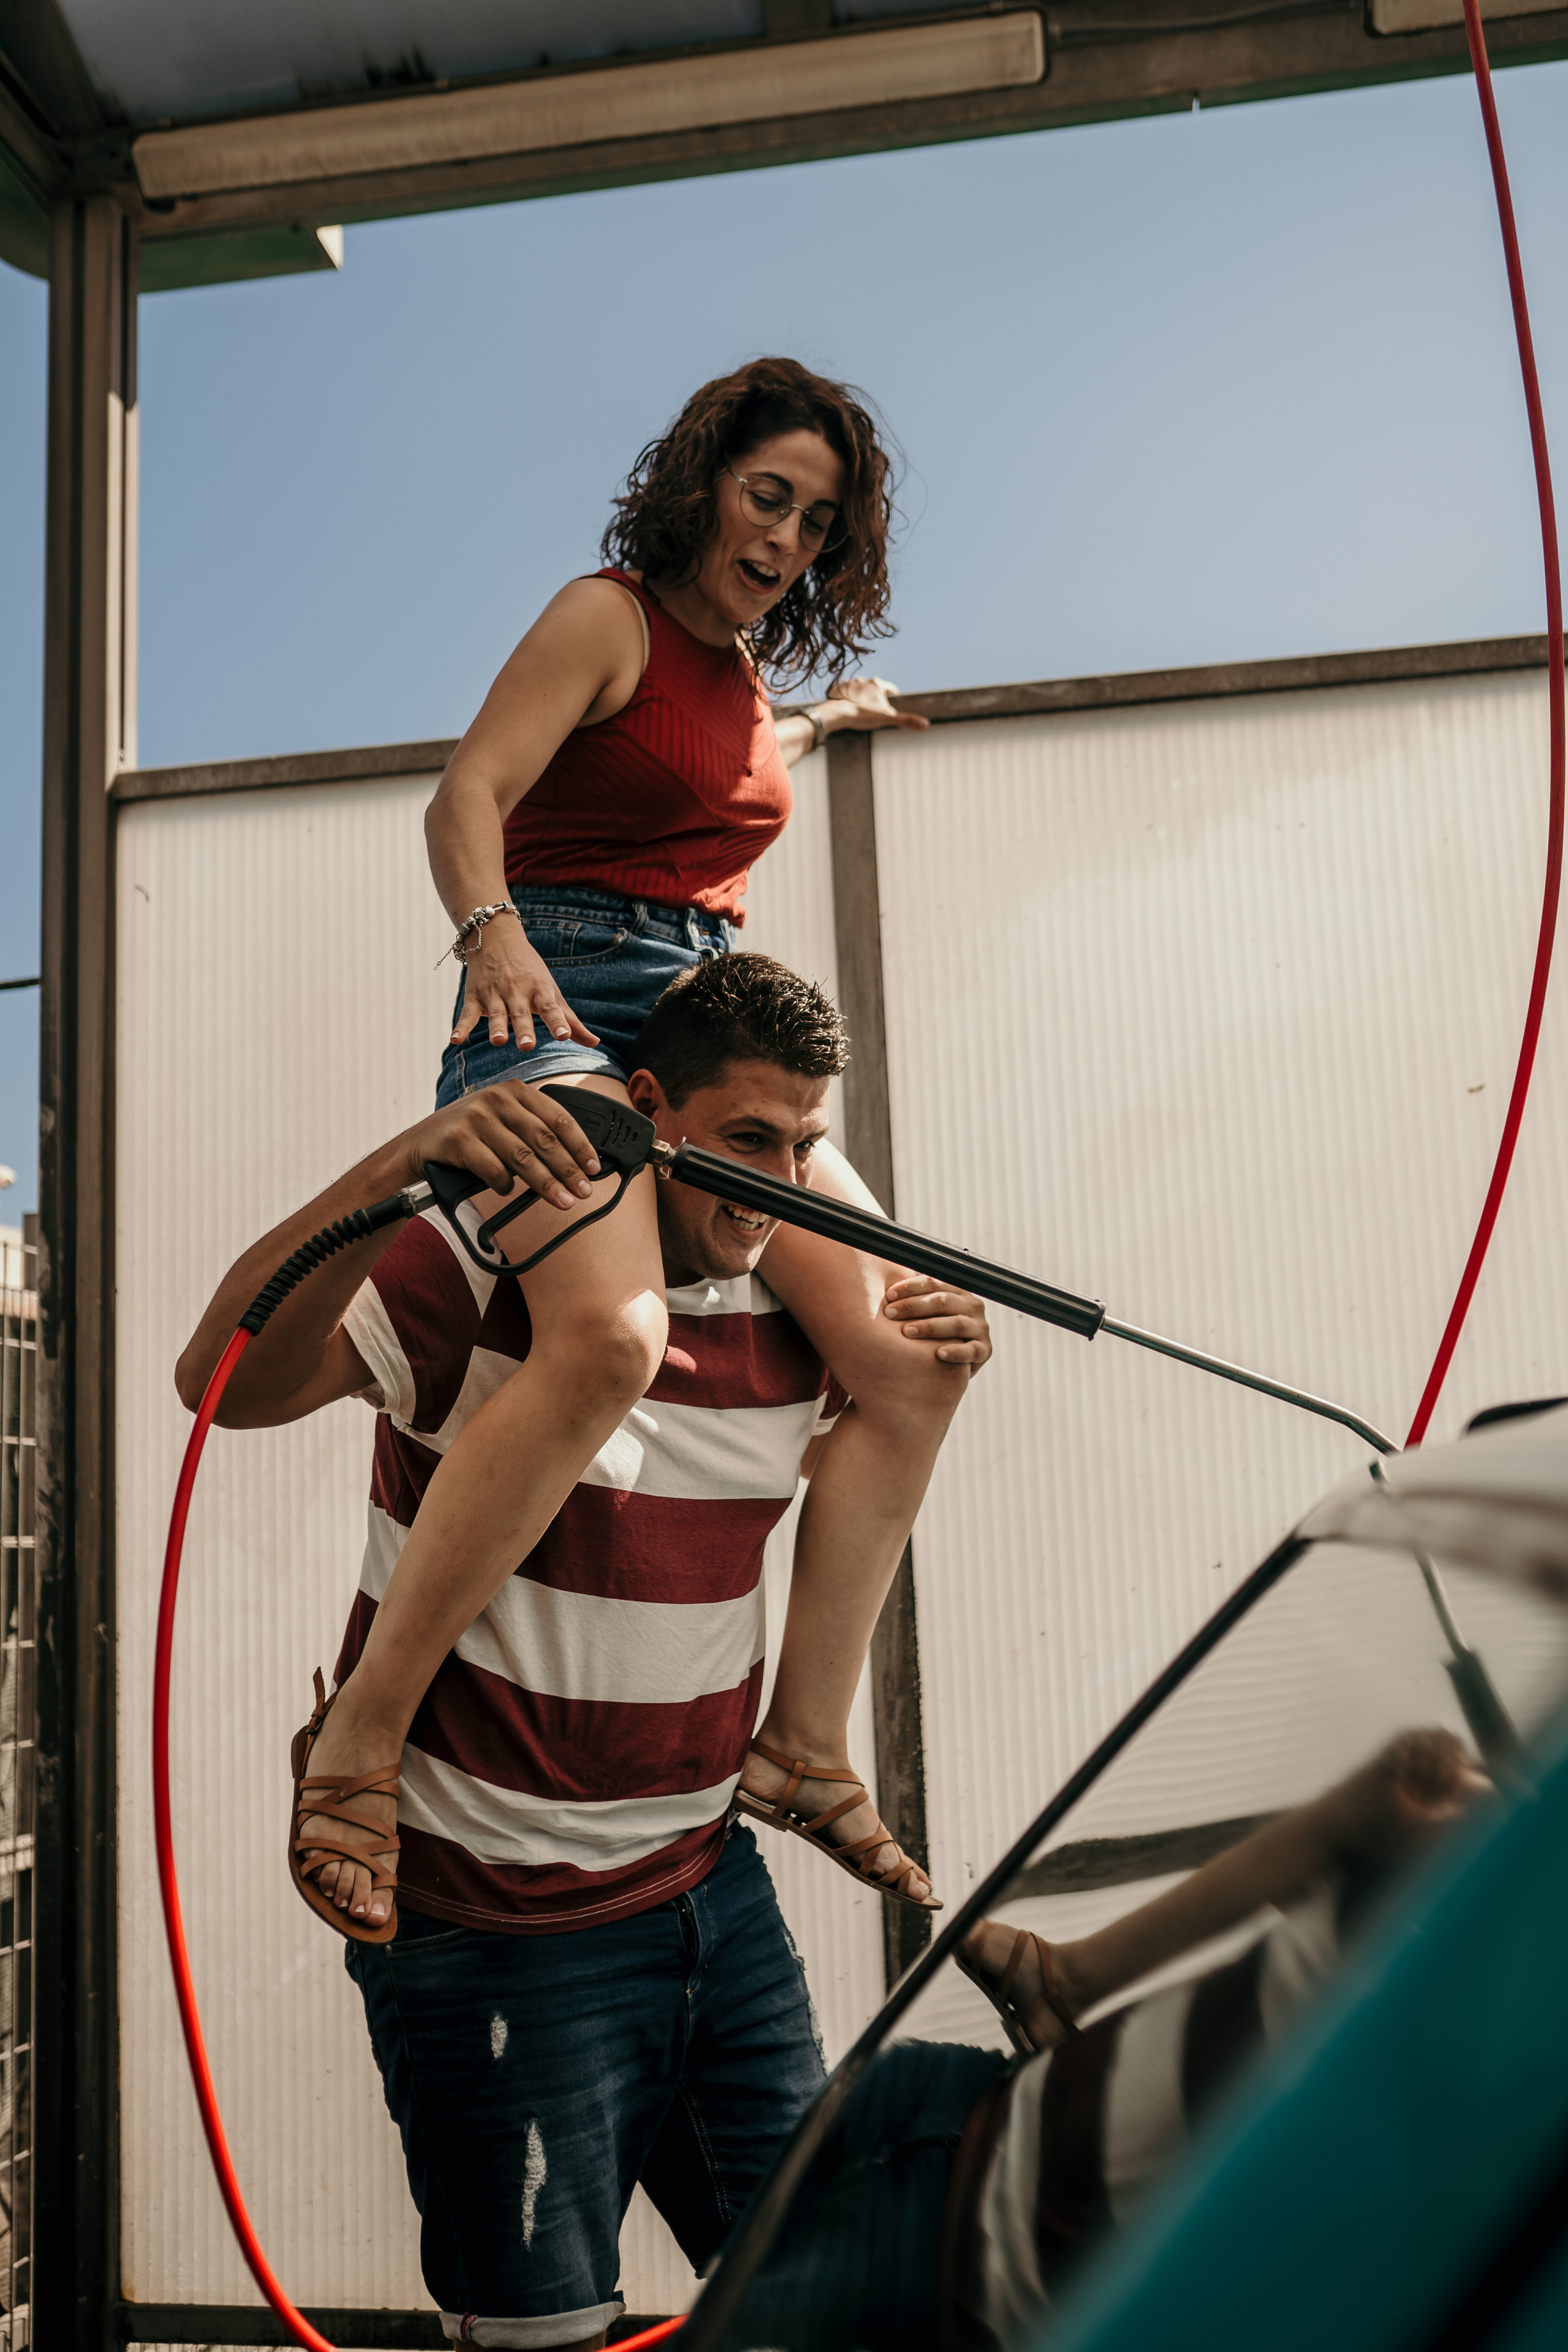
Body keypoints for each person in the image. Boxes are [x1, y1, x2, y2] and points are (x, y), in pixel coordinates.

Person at [176, 952, 993, 2350]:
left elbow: (894, 1391)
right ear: (644, 1108)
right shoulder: (498, 1258)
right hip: (497, 1931)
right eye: (744, 1140)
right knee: (543, 2336)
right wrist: (409, 1152)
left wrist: (934, 1346)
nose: (779, 1177)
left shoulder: (808, 1304)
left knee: (833, 2303)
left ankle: (801, 1758)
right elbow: (222, 1381)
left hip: (704, 1893)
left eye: (804, 1142)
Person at [293, 355, 965, 1930]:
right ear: (703, 484)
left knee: (915, 1358)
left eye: (815, 519)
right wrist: (489, 938)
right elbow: (467, 792)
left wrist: (830, 715)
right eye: (765, 496)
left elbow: (728, 772)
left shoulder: (740, 689)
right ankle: (361, 1739)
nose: (786, 535)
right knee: (607, 1335)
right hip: (560, 1005)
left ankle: (798, 1745)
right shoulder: (604, 617)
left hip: (701, 1018)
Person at [710, 1728, 1493, 2351]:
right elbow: (1372, 1808)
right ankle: (1067, 1979)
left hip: (974, 2264)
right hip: (967, 2114)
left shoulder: (1490, 2088)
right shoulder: (1503, 1891)